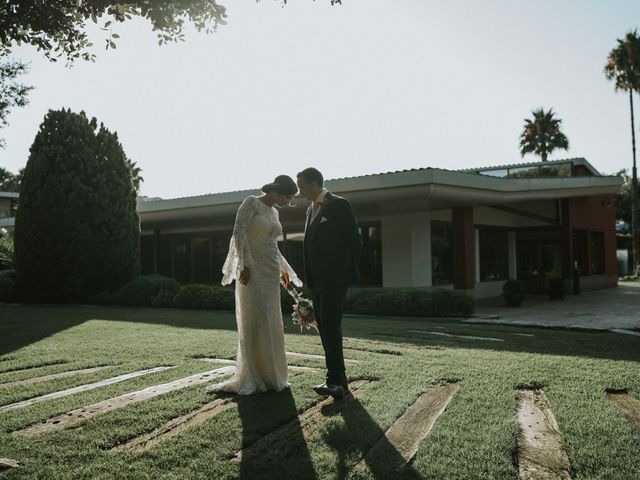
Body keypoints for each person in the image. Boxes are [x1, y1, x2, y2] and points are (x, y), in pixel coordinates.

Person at [206, 175, 301, 395]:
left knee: (271, 318)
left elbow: (272, 245)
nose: (289, 201)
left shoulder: (275, 212)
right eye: (288, 196)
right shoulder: (250, 202)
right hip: (254, 269)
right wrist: (245, 265)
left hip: (270, 269)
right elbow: (239, 234)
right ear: (277, 191)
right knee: (255, 319)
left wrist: (283, 270)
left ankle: (272, 376)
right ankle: (253, 375)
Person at [296, 167, 362, 399]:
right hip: (316, 282)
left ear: (315, 183)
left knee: (331, 325)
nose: (299, 190)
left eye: (302, 185)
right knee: (324, 326)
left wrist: (344, 273)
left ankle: (334, 380)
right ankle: (338, 379)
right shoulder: (308, 211)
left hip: (335, 280)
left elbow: (355, 241)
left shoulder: (339, 205)